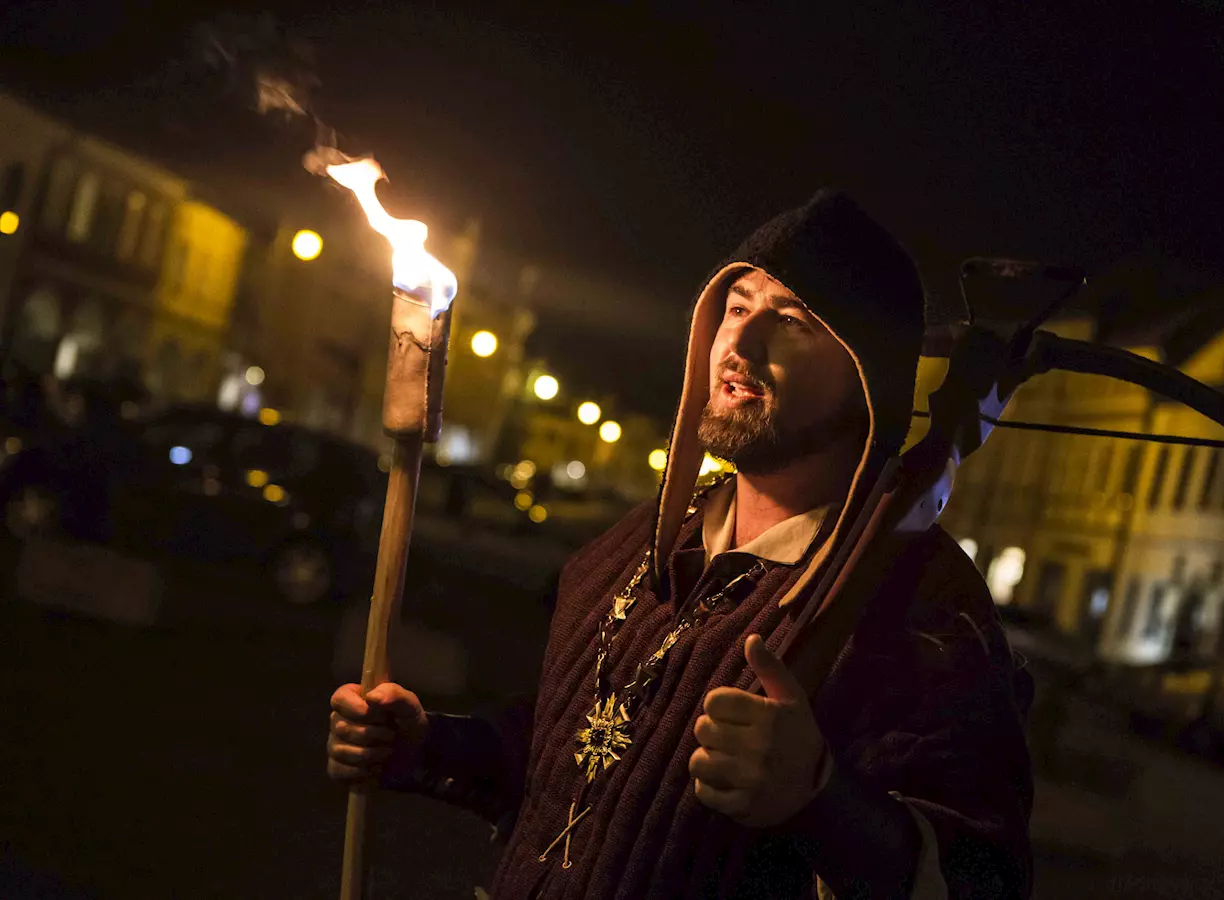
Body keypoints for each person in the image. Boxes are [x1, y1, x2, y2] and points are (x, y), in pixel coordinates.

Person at [327, 191, 1034, 898]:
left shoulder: (922, 602)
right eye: (736, 306)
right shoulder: (637, 544)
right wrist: (425, 747)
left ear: (866, 379)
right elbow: (567, 761)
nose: (740, 343)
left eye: (790, 320)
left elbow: (985, 880)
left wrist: (821, 801)